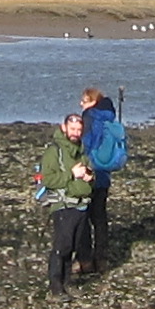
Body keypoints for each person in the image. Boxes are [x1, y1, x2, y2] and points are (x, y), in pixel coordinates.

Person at [33, 109, 97, 290]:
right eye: (72, 129)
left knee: (73, 247)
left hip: (81, 206)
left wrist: (90, 177)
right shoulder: (54, 152)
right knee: (62, 247)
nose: (76, 133)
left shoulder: (81, 151)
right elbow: (48, 179)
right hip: (63, 205)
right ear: (64, 128)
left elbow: (92, 175)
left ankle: (67, 283)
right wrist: (71, 174)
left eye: (78, 129)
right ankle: (55, 287)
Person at [73, 87, 126, 267]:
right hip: (104, 173)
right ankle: (101, 257)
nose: (81, 104)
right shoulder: (110, 116)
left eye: (84, 100)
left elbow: (87, 144)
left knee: (83, 217)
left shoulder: (90, 117)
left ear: (93, 101)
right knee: (100, 218)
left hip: (90, 173)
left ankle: (85, 259)